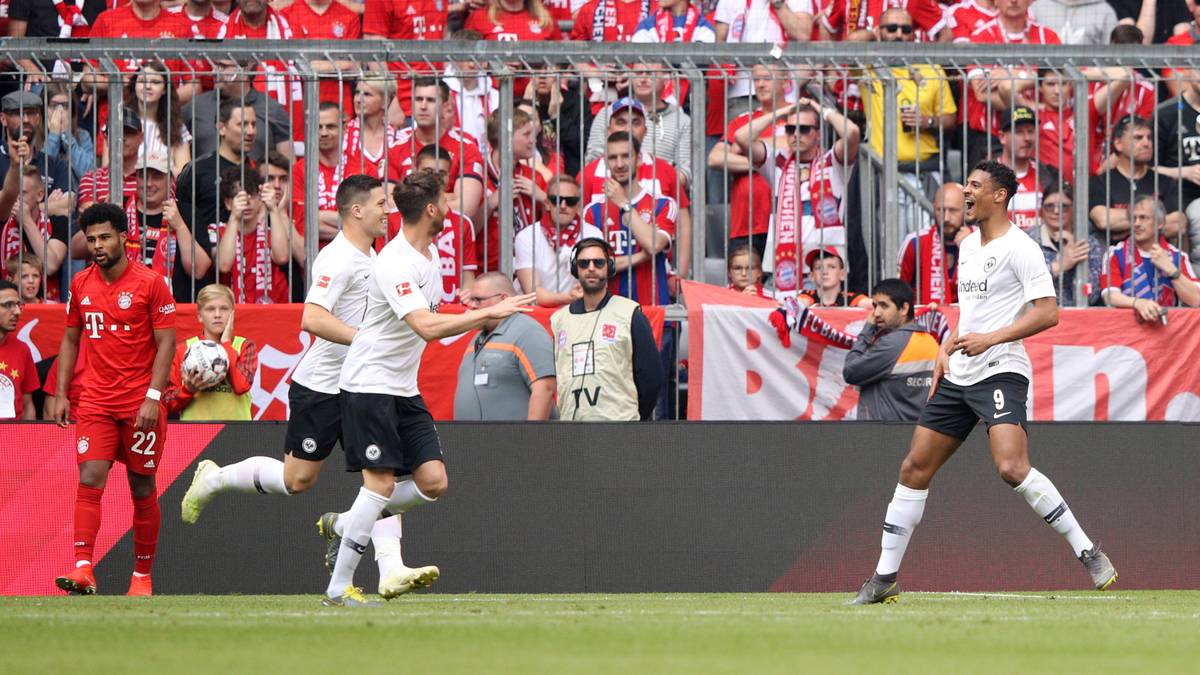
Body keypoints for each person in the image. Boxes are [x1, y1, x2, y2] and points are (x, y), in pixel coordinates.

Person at [849, 160, 1116, 605]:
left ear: (999, 196)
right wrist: (945, 346)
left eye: (973, 186)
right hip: (960, 371)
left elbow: (1048, 312)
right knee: (914, 468)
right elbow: (971, 312)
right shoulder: (970, 246)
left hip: (1001, 368)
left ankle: (1088, 551)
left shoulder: (1022, 248)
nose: (965, 192)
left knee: (1011, 467)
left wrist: (991, 339)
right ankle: (883, 578)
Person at [180, 175, 417, 593]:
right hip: (322, 387)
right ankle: (216, 477)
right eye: (381, 203)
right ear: (356, 210)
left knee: (383, 476)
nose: (388, 211)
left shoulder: (376, 257)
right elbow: (312, 318)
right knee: (297, 481)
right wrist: (367, 340)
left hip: (362, 384)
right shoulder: (337, 258)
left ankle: (390, 568)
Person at [320, 170, 534, 606]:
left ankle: (348, 522)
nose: (453, 206)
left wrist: (480, 309)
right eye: (447, 199)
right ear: (432, 209)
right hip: (369, 385)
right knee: (378, 487)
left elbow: (433, 319)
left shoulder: (430, 255)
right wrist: (489, 313)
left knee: (433, 482)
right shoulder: (394, 261)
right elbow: (425, 325)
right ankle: (338, 588)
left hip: (402, 387)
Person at [50, 202, 177, 597]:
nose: (98, 245)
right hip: (96, 401)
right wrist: (61, 393)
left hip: (141, 402)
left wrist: (153, 397)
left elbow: (167, 342)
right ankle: (84, 568)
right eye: (91, 239)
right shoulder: (81, 284)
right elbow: (71, 339)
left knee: (141, 486)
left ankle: (141, 576)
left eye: (105, 237)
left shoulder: (151, 283)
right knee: (90, 477)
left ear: (124, 237)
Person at [733, 98, 860, 295]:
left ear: (818, 133)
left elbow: (852, 132)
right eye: (791, 129)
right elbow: (741, 137)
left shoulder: (833, 161)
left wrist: (821, 111)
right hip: (783, 272)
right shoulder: (777, 162)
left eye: (804, 129)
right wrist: (781, 113)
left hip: (822, 274)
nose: (796, 134)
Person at [860, 8, 958, 234]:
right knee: (889, 249)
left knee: (925, 243)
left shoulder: (931, 70)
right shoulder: (868, 68)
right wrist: (871, 34)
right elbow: (849, 43)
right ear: (879, 31)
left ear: (913, 34)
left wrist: (928, 121)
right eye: (891, 29)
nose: (898, 35)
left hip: (923, 173)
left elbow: (951, 118)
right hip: (883, 174)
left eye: (906, 29)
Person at [551, 237, 663, 421]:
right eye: (584, 263)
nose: (591, 268)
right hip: (572, 429)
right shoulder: (559, 320)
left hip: (619, 428)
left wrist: (631, 417)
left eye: (599, 262)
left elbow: (651, 377)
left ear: (609, 267)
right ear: (575, 269)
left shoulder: (629, 313)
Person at [582, 131, 678, 307]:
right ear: (605, 162)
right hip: (608, 316)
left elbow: (654, 244)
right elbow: (595, 268)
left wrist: (624, 204)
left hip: (654, 313)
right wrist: (643, 256)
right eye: (612, 158)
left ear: (639, 158)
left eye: (626, 156)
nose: (619, 164)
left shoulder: (663, 204)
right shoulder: (592, 212)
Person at [454, 272, 557, 420]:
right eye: (471, 299)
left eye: (478, 300)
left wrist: (533, 439)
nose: (472, 306)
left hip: (516, 442)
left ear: (504, 299)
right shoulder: (477, 338)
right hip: (474, 441)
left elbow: (545, 388)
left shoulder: (528, 331)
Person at [842, 279, 939, 421]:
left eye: (884, 306)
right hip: (916, 434)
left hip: (884, 436)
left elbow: (850, 372)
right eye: (874, 306)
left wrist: (867, 331)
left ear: (904, 309)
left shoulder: (892, 344)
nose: (876, 313)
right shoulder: (930, 342)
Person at [163, 284, 257, 420]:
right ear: (200, 316)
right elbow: (167, 402)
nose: (217, 315)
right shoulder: (184, 350)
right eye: (210, 309)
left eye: (224, 309)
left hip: (237, 433)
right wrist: (188, 390)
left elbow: (241, 386)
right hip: (197, 435)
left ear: (232, 314)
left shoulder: (244, 346)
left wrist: (226, 343)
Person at [1100, 195, 1200, 318]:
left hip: (1168, 332)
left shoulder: (1178, 257)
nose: (1136, 223)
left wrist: (1171, 269)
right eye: (1133, 218)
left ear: (1160, 223)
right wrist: (1138, 303)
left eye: (1143, 218)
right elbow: (1110, 295)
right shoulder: (1115, 253)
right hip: (1127, 332)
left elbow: (1196, 300)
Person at [1088, 115, 1184, 243]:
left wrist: (1124, 227)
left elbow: (1178, 224)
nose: (1147, 143)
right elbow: (1103, 219)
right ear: (1118, 143)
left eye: (1149, 138)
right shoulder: (1100, 182)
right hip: (1115, 260)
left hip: (1157, 258)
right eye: (1138, 138)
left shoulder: (1164, 181)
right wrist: (1155, 221)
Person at [184, 59, 292, 165]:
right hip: (204, 181)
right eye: (215, 65)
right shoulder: (195, 107)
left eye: (223, 66)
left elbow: (289, 167)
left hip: (254, 181)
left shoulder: (272, 109)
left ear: (247, 68)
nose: (214, 72)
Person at [515, 174, 602, 307]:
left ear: (578, 206)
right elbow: (532, 293)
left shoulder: (593, 235)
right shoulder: (526, 236)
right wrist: (566, 298)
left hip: (578, 313)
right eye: (556, 200)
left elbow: (596, 285)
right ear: (547, 204)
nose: (563, 205)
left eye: (570, 201)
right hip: (538, 315)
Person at [213, 165, 294, 304]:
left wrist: (273, 209)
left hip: (271, 313)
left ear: (260, 199)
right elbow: (224, 265)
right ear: (227, 202)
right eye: (240, 196)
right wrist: (234, 217)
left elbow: (282, 257)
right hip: (232, 314)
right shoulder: (216, 230)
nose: (247, 202)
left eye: (252, 195)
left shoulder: (271, 231)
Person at [1024, 182, 1103, 306]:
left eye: (1063, 206)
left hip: (1078, 319)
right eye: (1049, 206)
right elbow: (1022, 284)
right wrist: (1060, 265)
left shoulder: (1089, 244)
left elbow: (1090, 297)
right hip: (1036, 318)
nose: (1056, 211)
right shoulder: (1026, 240)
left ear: (1074, 209)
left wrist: (1077, 261)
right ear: (1041, 210)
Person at [1154, 67, 1200, 267]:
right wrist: (1184, 172)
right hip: (1179, 193)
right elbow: (1148, 168)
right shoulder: (1167, 113)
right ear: (1189, 71)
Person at [898, 182, 969, 305]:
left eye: (953, 211)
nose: (946, 218)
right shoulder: (915, 242)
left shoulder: (981, 240)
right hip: (926, 320)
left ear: (967, 210)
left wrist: (971, 248)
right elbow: (898, 293)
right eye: (940, 210)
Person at [991, 106, 1059, 229]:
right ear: (1002, 137)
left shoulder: (1049, 174)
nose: (1027, 138)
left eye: (1030, 131)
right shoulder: (985, 176)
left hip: (1040, 247)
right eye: (1019, 132)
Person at [125, 61, 192, 176]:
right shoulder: (119, 121)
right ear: (134, 85)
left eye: (155, 82)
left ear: (165, 89)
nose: (148, 86)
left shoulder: (177, 127)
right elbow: (108, 169)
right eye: (142, 81)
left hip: (165, 192)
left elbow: (184, 174)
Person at [293, 102, 344, 248]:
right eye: (318, 127)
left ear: (344, 128)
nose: (324, 133)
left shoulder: (362, 167)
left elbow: (367, 221)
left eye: (331, 126)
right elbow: (303, 223)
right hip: (314, 262)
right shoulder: (299, 170)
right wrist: (353, 230)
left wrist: (318, 216)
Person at [0, 90, 70, 194]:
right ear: (3, 119)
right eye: (18, 113)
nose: (26, 120)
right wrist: (44, 207)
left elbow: (66, 205)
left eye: (31, 113)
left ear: (38, 119)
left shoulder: (55, 165)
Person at [0, 279, 37, 420]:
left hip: (14, 437)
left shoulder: (22, 350)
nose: (17, 312)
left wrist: (28, 440)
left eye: (18, 305)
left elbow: (28, 405)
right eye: (8, 305)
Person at [799, 248, 871, 308]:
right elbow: (799, 304)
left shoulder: (850, 299)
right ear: (811, 276)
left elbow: (874, 305)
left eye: (832, 267)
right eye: (819, 268)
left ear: (842, 274)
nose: (825, 272)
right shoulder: (807, 295)